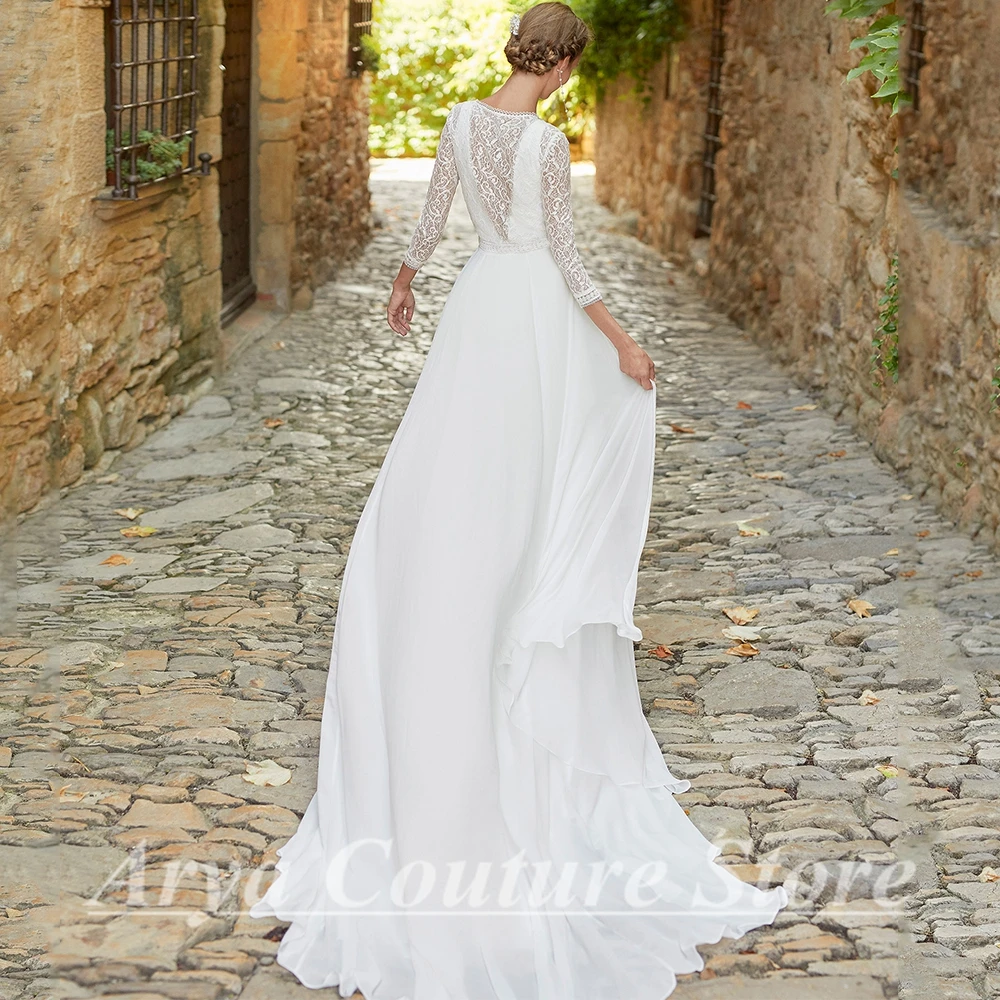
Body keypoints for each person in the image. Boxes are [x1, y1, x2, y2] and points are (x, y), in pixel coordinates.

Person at [250, 4, 788, 997]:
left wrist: (406, 282)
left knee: (454, 476)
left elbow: (427, 223)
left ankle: (464, 616)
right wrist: (623, 340)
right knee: (530, 490)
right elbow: (570, 264)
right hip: (533, 317)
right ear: (568, 62)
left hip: (476, 314)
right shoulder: (542, 143)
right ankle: (513, 626)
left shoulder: (457, 122)